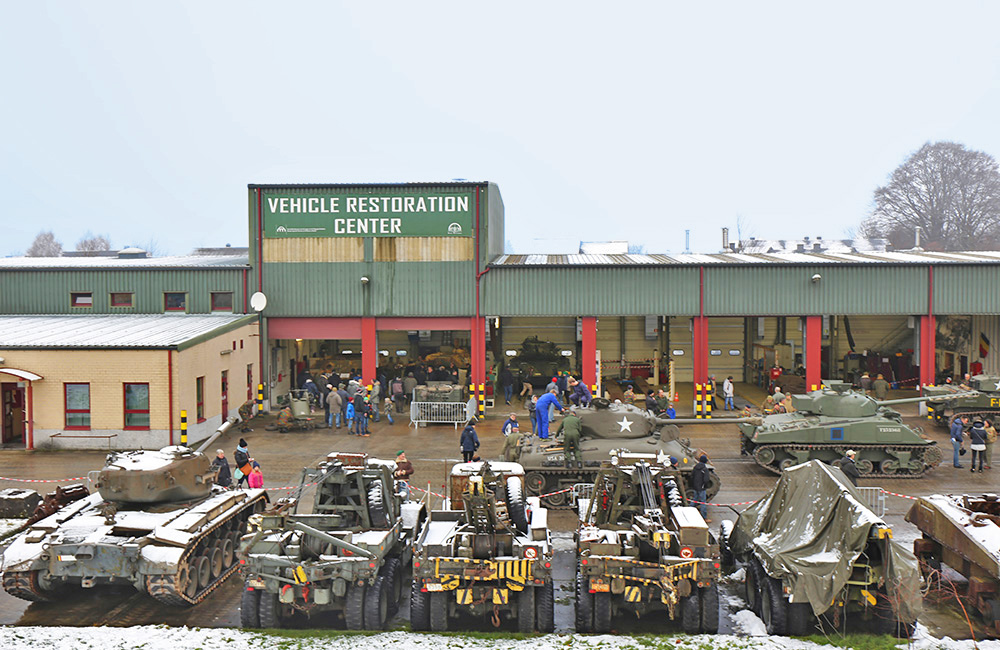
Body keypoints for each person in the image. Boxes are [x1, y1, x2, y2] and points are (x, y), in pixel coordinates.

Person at [691, 455, 711, 522]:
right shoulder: (704, 469)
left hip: (695, 486)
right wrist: (704, 485)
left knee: (694, 500)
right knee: (703, 502)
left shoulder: (695, 467)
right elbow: (706, 479)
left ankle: (689, 511)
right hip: (702, 487)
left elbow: (692, 476)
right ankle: (704, 517)